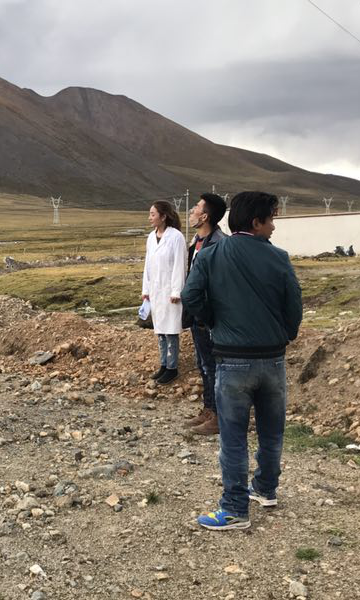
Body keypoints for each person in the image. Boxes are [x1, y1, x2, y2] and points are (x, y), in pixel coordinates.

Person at [182, 191, 302, 530]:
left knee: (233, 436)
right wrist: (286, 333)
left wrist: (212, 321)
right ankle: (265, 488)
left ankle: (235, 508)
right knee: (271, 431)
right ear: (256, 221)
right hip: (273, 359)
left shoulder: (211, 254)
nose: (274, 226)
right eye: (271, 219)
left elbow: (191, 295)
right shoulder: (279, 257)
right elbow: (294, 304)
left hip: (232, 359)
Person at [185, 193, 228, 435]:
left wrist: (208, 313)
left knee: (214, 366)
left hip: (211, 315)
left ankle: (220, 416)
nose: (192, 211)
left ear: (205, 217)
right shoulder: (197, 242)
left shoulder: (220, 243)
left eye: (196, 208)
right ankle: (209, 409)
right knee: (203, 365)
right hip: (197, 313)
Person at [142, 200, 186, 385]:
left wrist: (176, 291)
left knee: (171, 330)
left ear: (163, 216)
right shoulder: (151, 237)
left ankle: (172, 368)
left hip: (170, 292)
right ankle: (163, 364)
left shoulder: (176, 237)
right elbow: (148, 266)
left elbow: (180, 266)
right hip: (156, 291)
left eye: (153, 214)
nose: (150, 218)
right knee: (160, 329)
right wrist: (146, 290)